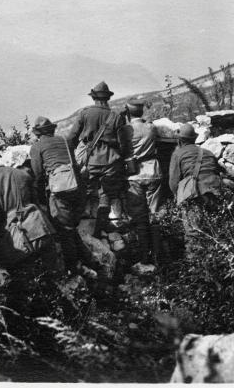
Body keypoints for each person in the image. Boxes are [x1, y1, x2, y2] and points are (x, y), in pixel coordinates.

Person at [0, 137, 62, 273]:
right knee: (55, 275)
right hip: (41, 228)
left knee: (24, 282)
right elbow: (36, 201)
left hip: (16, 240)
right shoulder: (22, 174)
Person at [28, 116, 92, 272]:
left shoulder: (37, 147)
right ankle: (88, 261)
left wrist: (38, 198)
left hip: (60, 190)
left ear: (37, 133)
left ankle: (73, 268)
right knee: (70, 228)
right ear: (52, 130)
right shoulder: (64, 141)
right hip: (77, 186)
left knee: (64, 231)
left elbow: (37, 174)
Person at [66, 81, 127, 235]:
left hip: (90, 160)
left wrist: (72, 159)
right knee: (106, 194)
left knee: (85, 192)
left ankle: (79, 228)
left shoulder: (84, 113)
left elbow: (71, 138)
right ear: (107, 98)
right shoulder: (115, 116)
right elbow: (122, 144)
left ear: (94, 98)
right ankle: (100, 228)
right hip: (110, 161)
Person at [168, 124, 223, 259]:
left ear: (179, 140)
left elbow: (173, 182)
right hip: (215, 191)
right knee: (215, 228)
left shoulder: (178, 154)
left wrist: (178, 196)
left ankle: (197, 264)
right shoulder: (208, 152)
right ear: (194, 139)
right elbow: (217, 171)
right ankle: (220, 258)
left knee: (194, 232)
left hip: (194, 193)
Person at [119, 98, 163, 263]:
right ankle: (159, 256)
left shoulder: (125, 130)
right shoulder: (150, 127)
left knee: (140, 218)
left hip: (134, 175)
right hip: (153, 171)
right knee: (155, 215)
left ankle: (145, 257)